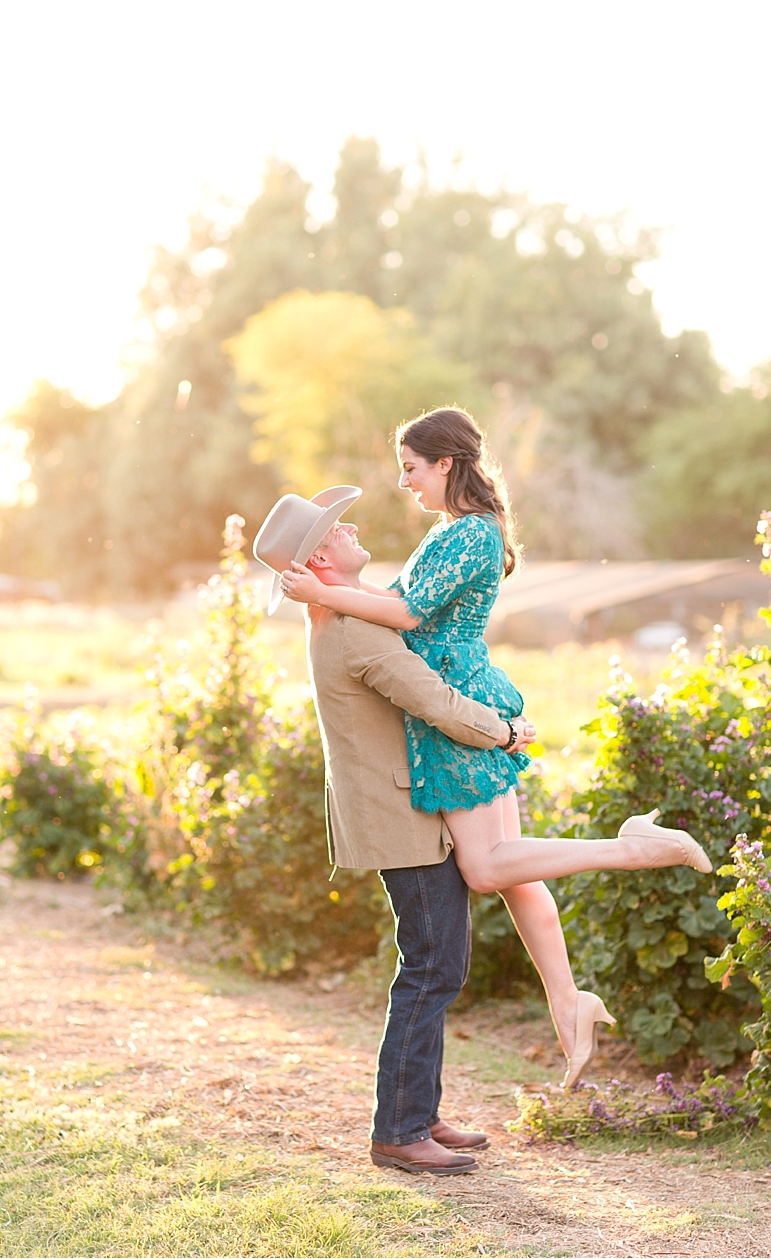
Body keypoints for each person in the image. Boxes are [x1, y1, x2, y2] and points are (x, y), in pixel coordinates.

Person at [275, 408, 712, 1089]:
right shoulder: (449, 531)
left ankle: (629, 848)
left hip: (458, 705)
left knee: (485, 867)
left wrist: (321, 590)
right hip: (455, 698)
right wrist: (328, 592)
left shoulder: (473, 534)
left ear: (445, 463)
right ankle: (569, 1005)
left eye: (411, 468)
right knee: (513, 874)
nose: (404, 481)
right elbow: (395, 601)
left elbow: (407, 614)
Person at [254, 487, 539, 1173]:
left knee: (438, 962)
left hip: (402, 807)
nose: (350, 527)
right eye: (335, 528)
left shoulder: (345, 616)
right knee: (432, 965)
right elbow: (432, 700)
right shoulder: (354, 631)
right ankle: (400, 1131)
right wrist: (503, 732)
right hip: (398, 814)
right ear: (320, 560)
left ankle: (420, 1113)